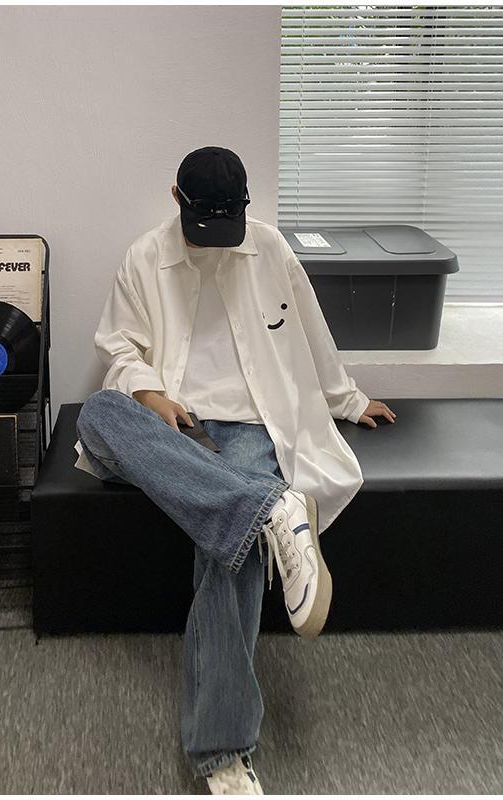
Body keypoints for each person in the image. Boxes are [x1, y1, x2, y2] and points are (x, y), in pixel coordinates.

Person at [73, 146, 396, 794]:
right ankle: (269, 508)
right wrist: (148, 394)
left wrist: (348, 400)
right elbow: (119, 347)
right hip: (173, 422)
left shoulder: (270, 248)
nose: (218, 238)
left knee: (234, 549)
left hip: (250, 423)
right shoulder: (144, 257)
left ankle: (222, 751)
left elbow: (312, 331)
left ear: (246, 205)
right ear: (177, 199)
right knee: (100, 412)